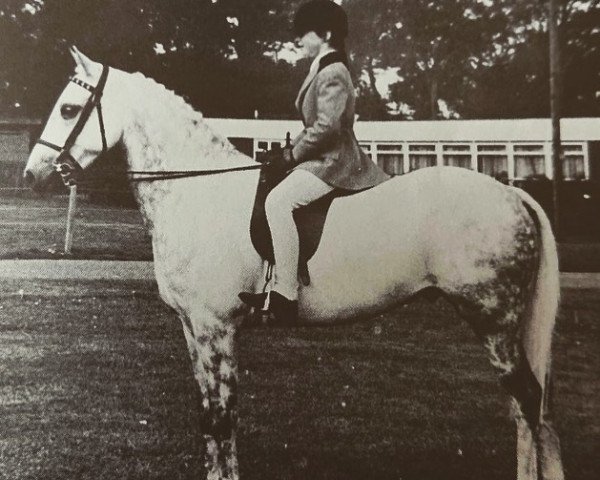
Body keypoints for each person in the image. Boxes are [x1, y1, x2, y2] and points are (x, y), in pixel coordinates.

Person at [239, 0, 389, 324]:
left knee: (279, 202)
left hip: (335, 161)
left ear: (325, 33)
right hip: (322, 156)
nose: (298, 41)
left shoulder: (333, 71)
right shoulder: (323, 68)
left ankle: (286, 295)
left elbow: (326, 127)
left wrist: (291, 156)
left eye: (304, 34)